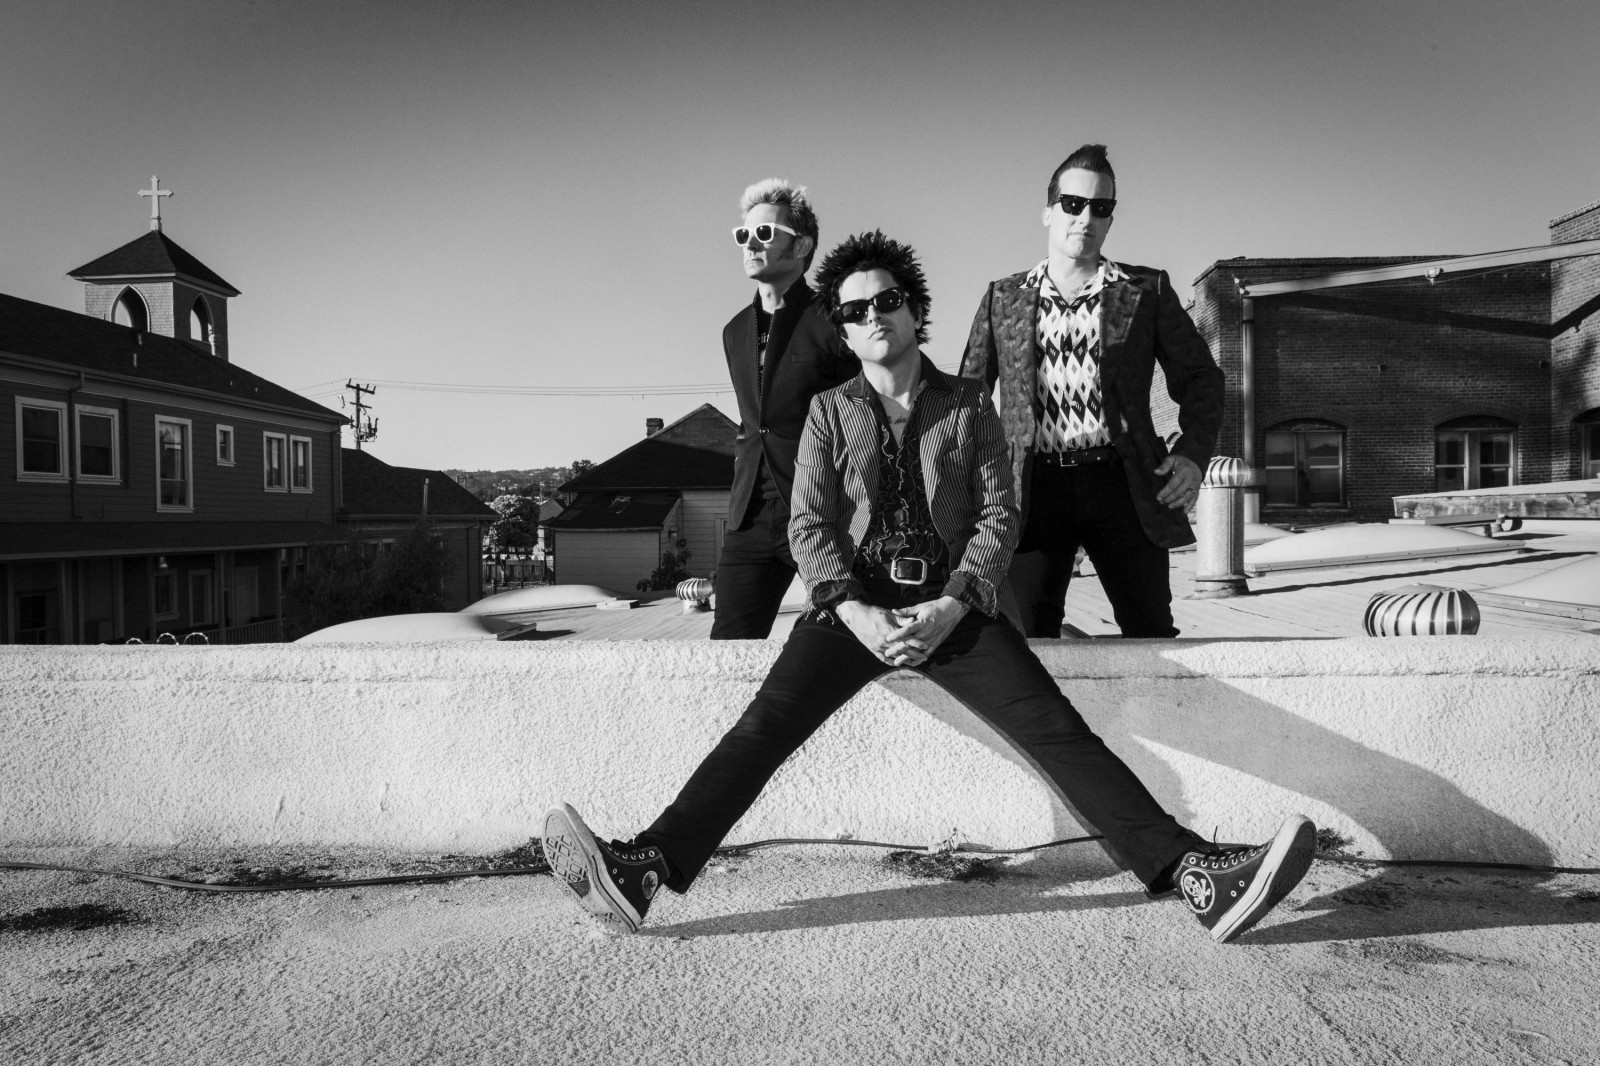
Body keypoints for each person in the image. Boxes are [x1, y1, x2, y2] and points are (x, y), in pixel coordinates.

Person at [543, 232, 1316, 944]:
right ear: (844, 332)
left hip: (954, 606)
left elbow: (998, 516)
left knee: (1058, 732)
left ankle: (1196, 875)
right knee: (762, 729)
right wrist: (853, 609)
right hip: (850, 608)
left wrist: (953, 603)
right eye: (854, 310)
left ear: (914, 310)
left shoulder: (969, 405)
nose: (873, 316)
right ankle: (644, 870)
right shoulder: (828, 411)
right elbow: (808, 525)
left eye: (886, 300)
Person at [960, 145, 1225, 639]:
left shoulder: (1146, 290)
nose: (1085, 217)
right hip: (1031, 488)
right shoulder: (1003, 297)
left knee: (1149, 632)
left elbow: (1201, 377)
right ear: (1048, 211)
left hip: (1122, 484)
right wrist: (972, 482)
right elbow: (968, 398)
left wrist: (1192, 454)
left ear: (1110, 218)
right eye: (1073, 204)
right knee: (1027, 637)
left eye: (1101, 207)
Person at [713, 179, 861, 639]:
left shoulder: (835, 320)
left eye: (764, 234)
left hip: (822, 510)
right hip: (750, 516)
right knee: (728, 649)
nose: (750, 244)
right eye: (743, 234)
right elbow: (753, 422)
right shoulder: (734, 331)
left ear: (802, 246)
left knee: (847, 637)